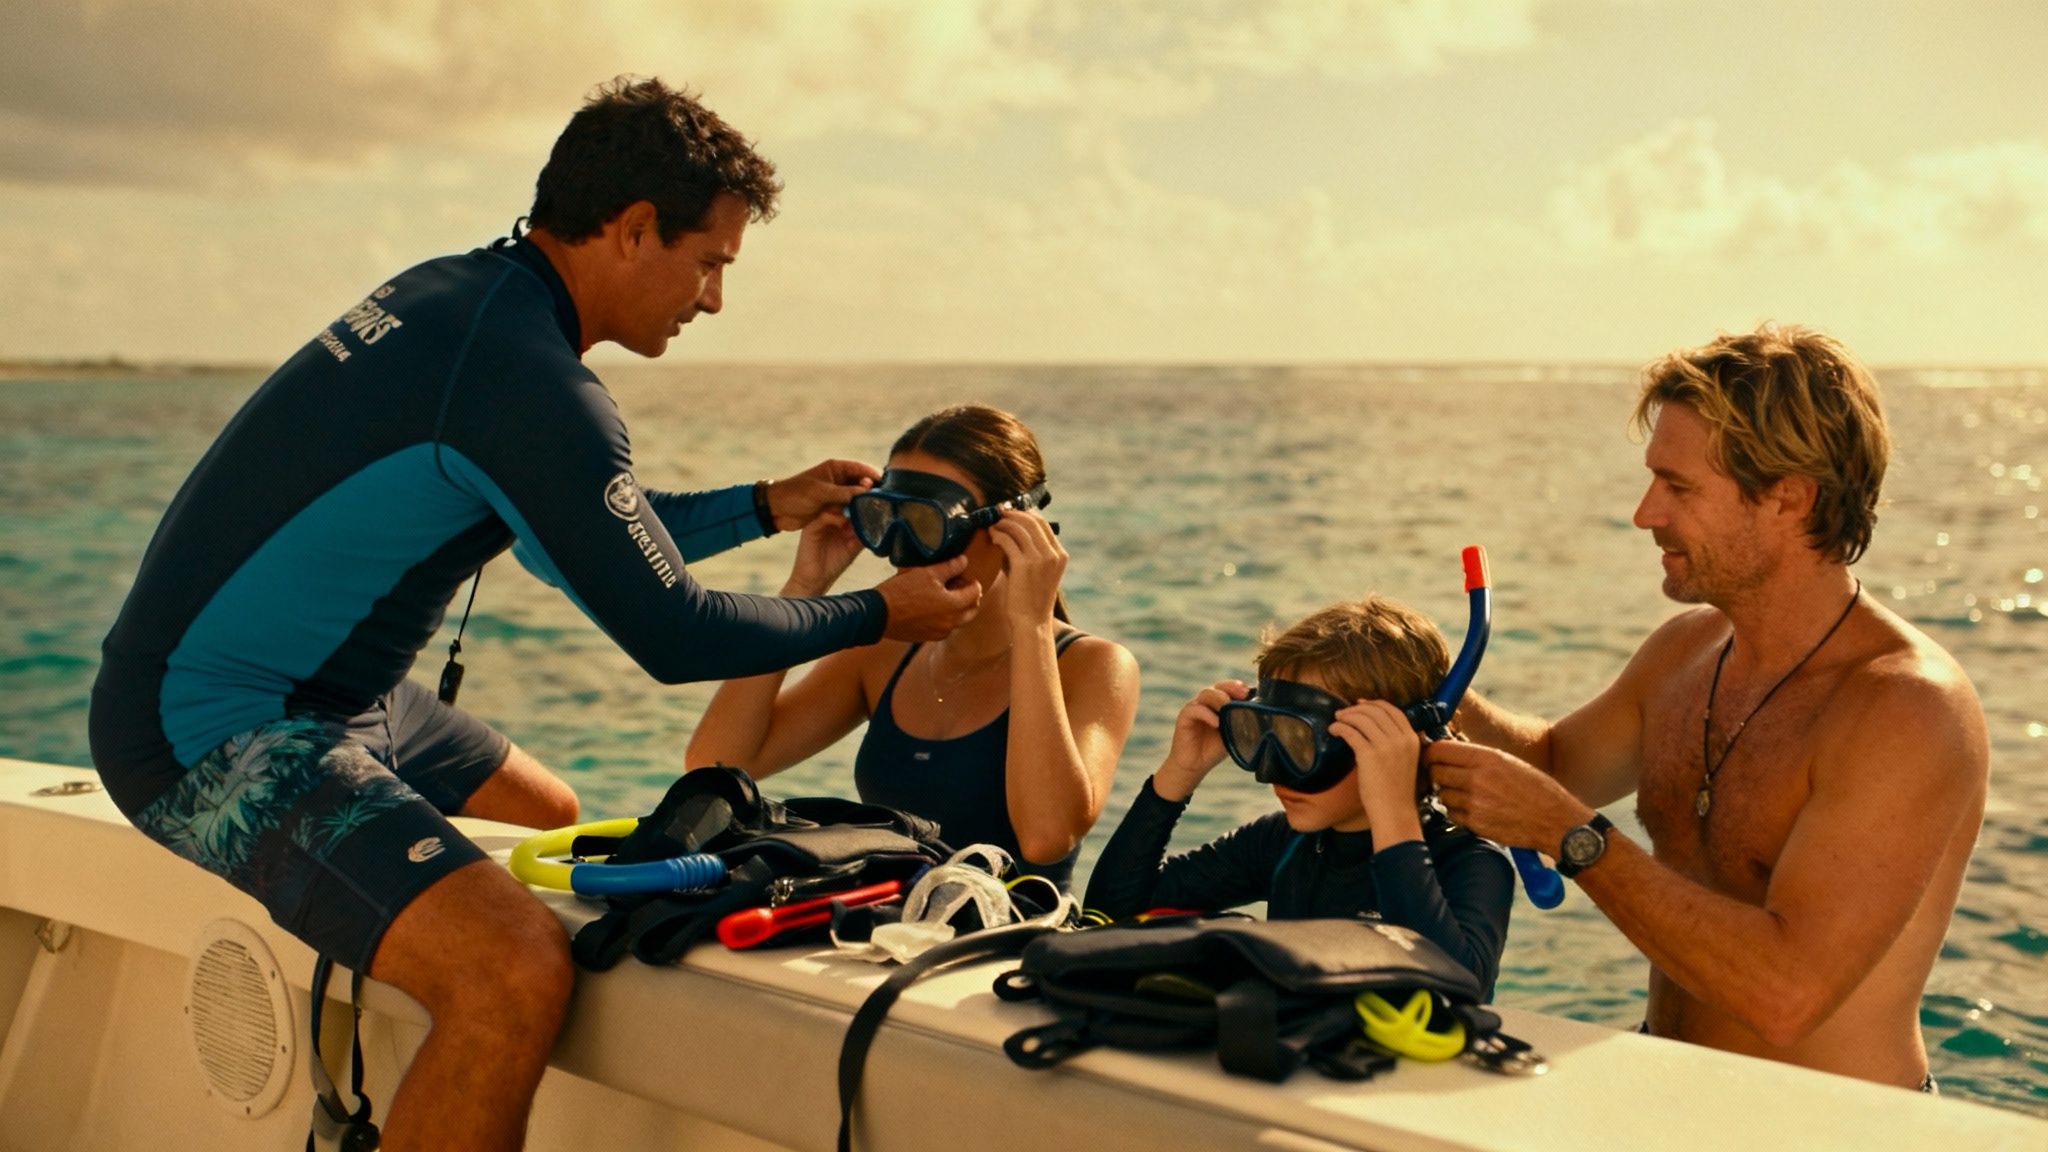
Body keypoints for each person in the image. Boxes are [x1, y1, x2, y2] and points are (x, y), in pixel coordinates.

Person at [87, 77, 980, 1151]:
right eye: (708, 264)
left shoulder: (464, 299)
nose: (710, 302)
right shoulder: (527, 382)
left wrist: (762, 506)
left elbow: (585, 544)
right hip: (212, 727)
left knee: (551, 821)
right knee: (510, 964)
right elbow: (673, 634)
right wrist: (881, 614)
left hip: (340, 698)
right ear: (633, 229)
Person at [1425, 323, 1988, 1090]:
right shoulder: (1685, 650)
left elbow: (1787, 994)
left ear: (1788, 498)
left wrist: (1570, 837)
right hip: (1670, 1089)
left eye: (1679, 487)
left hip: (1833, 1132)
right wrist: (1425, 674)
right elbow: (1557, 767)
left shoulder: (1905, 709)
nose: (1645, 513)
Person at [686, 404, 1140, 889]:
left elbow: (1046, 837)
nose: (903, 549)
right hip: (885, 936)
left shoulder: (1094, 666)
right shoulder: (884, 652)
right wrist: (804, 588)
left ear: (1012, 529)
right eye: (885, 519)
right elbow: (717, 762)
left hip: (1003, 951)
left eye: (928, 524)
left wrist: (1030, 623)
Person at [1085, 597, 1514, 997]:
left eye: (1301, 742)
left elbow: (1455, 991)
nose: (1273, 771)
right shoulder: (1287, 842)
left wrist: (1393, 811)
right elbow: (1111, 915)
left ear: (1389, 743)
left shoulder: (1470, 860)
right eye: (1264, 734)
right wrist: (1179, 774)